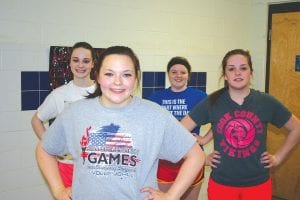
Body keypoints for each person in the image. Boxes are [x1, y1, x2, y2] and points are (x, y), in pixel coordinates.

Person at [35, 46, 205, 200]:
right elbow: (44, 149)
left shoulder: (155, 115)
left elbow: (196, 155)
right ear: (98, 77)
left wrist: (171, 196)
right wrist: (58, 190)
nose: (118, 82)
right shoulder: (75, 113)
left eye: (126, 74)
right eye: (109, 74)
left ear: (136, 78)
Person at [181, 49, 300, 200]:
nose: (238, 73)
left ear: (251, 72)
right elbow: (179, 131)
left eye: (243, 68)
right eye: (231, 69)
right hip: (222, 185)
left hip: (258, 185)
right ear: (225, 75)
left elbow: (297, 128)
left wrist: (278, 158)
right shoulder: (212, 102)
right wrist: (202, 159)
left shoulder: (266, 102)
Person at [31, 41, 97, 188]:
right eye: (76, 60)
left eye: (86, 61)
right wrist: (51, 145)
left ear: (93, 64)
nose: (80, 65)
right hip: (69, 166)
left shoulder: (102, 91)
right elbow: (36, 120)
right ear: (70, 63)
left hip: (98, 166)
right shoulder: (59, 95)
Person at [148, 56, 207, 200]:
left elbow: (220, 119)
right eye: (174, 72)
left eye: (183, 72)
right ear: (168, 74)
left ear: (189, 75)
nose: (178, 75)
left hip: (191, 158)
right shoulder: (156, 98)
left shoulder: (200, 96)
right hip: (164, 161)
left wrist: (205, 139)